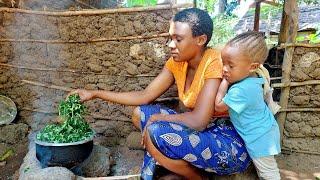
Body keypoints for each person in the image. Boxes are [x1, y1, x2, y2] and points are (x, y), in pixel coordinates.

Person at [70, 8, 251, 180]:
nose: (170, 45)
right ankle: (182, 168)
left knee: (156, 131)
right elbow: (145, 96)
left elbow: (199, 121)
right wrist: (94, 93)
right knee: (140, 114)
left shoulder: (214, 61)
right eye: (170, 38)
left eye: (178, 39)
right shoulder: (177, 63)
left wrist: (159, 119)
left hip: (227, 143)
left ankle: (197, 177)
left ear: (201, 39)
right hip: (200, 134)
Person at [215, 31, 281, 180]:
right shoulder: (254, 77)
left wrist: (224, 82)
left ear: (252, 66)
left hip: (259, 136)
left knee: (268, 173)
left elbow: (218, 106)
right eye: (223, 63)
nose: (224, 69)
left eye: (230, 65)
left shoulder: (242, 89)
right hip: (263, 130)